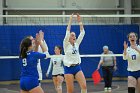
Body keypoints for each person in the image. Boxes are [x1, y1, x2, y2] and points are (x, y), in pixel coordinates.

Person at [63, 13, 87, 93]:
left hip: (77, 67)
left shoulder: (76, 44)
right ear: (69, 38)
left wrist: (79, 21)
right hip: (68, 68)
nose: (74, 37)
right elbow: (67, 31)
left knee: (84, 86)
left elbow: (82, 32)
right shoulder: (66, 44)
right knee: (70, 91)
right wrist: (70, 19)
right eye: (72, 35)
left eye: (75, 36)